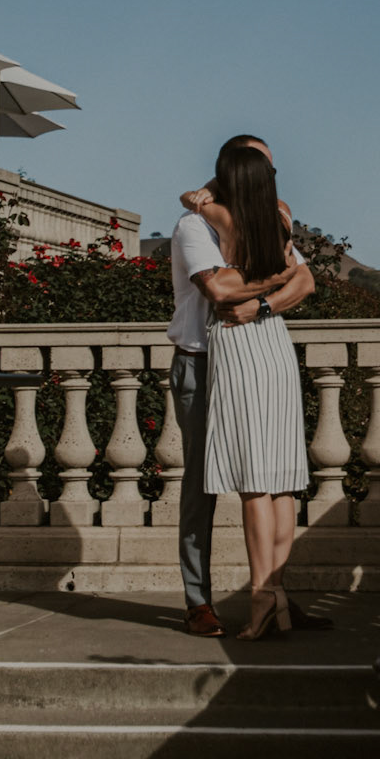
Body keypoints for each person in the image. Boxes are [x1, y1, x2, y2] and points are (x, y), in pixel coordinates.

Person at [167, 134, 312, 638]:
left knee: (266, 478)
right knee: (203, 488)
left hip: (246, 350)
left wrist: (262, 299)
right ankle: (199, 600)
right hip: (202, 363)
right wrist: (276, 280)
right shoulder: (197, 224)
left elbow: (290, 285)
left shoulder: (233, 218)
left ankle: (271, 593)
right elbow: (221, 289)